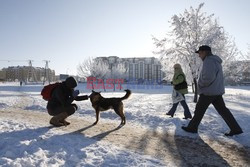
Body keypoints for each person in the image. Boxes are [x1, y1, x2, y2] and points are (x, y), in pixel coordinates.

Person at [182, 45, 243, 136]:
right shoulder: (215, 61)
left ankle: (192, 128)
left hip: (208, 92)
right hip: (216, 91)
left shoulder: (209, 61)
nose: (199, 55)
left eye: (200, 53)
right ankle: (236, 129)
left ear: (205, 52)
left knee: (199, 110)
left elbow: (208, 78)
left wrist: (200, 85)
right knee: (223, 111)